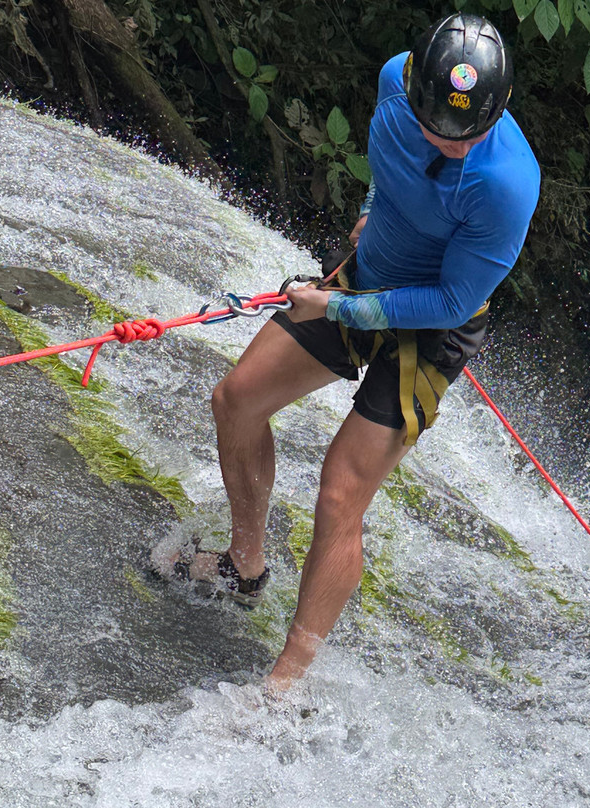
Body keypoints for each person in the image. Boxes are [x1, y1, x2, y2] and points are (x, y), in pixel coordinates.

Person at [170, 13, 540, 690]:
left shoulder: (507, 183)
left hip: (434, 328)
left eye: (470, 136)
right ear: (415, 89)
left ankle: (282, 684)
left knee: (340, 494)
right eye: (439, 128)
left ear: (500, 111)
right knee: (236, 401)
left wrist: (334, 306)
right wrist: (374, 204)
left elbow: (452, 302)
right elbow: (390, 160)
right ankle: (243, 565)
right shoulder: (394, 84)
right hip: (368, 276)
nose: (453, 146)